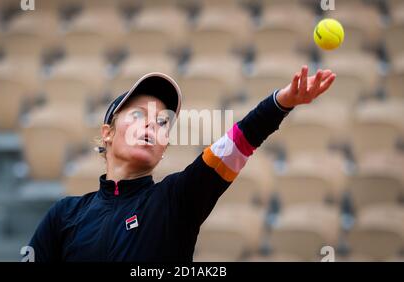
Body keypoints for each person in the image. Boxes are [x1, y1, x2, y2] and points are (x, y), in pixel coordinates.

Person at [28, 66, 336, 261]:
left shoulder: (176, 199)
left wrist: (280, 103)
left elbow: (236, 145)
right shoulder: (64, 215)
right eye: (138, 115)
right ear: (107, 134)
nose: (151, 125)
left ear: (164, 149)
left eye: (162, 122)